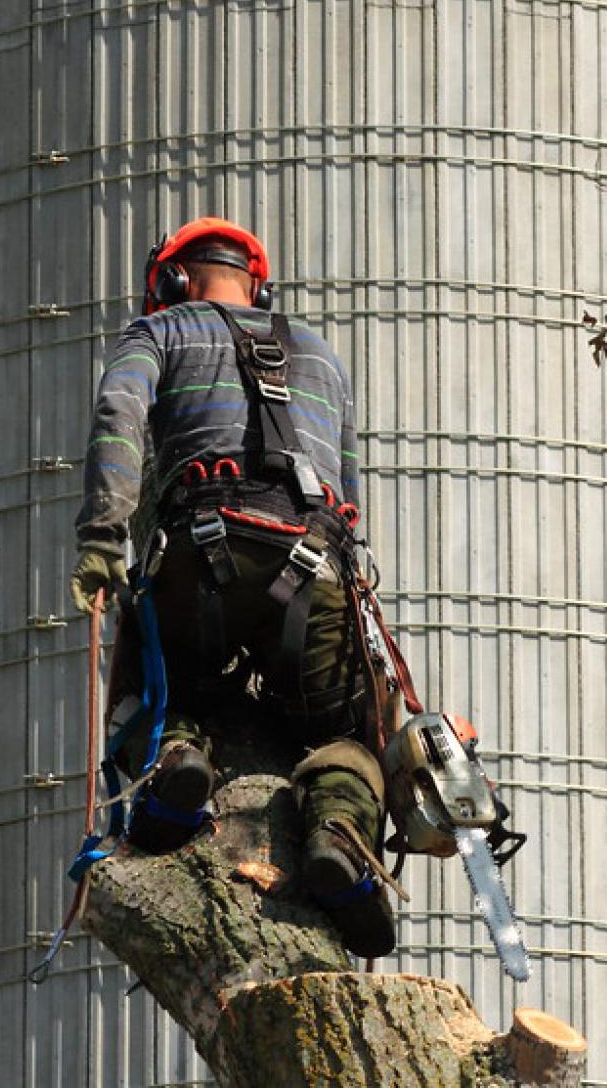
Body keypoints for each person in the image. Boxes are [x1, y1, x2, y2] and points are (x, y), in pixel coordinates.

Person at [67, 217, 396, 958]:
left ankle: (178, 761)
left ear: (174, 281)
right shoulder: (323, 358)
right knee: (345, 733)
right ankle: (339, 831)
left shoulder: (159, 334)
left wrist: (102, 535)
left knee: (158, 686)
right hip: (317, 569)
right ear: (259, 283)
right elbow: (348, 499)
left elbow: (119, 414)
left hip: (200, 560)